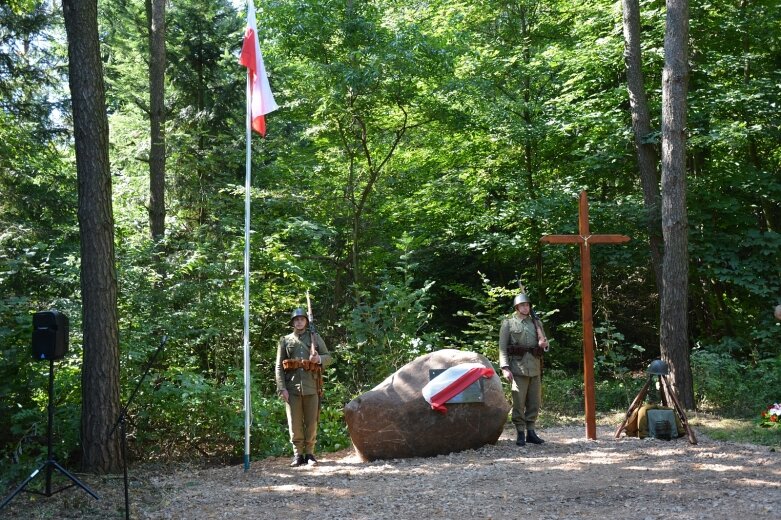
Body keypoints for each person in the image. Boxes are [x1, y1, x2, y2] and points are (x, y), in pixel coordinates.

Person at [275, 307, 332, 467]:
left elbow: (329, 358)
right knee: (294, 423)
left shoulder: (315, 338)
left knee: (312, 422)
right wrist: (282, 388)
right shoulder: (285, 340)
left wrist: (318, 358)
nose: (299, 322)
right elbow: (279, 366)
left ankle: (310, 454)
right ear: (293, 322)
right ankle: (298, 454)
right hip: (292, 387)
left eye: (302, 319)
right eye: (296, 319)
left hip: (312, 386)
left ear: (306, 321)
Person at [498, 292, 550, 446]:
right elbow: (502, 348)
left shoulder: (536, 323)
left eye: (527, 305)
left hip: (535, 367)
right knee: (519, 402)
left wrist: (544, 345)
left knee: (535, 402)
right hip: (517, 368)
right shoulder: (508, 324)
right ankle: (520, 432)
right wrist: (505, 367)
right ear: (517, 307)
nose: (526, 308)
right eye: (522, 305)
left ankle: (531, 431)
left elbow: (545, 344)